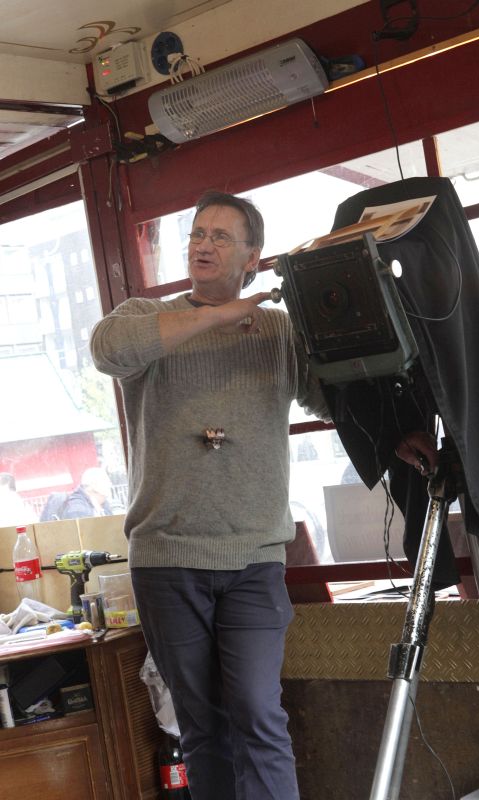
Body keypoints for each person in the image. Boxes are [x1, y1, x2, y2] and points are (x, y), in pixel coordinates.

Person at [90, 190, 332, 800]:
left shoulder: (278, 331)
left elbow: (330, 397)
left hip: (254, 558)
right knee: (202, 726)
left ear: (252, 257)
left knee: (257, 711)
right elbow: (107, 351)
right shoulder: (145, 317)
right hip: (167, 558)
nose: (203, 244)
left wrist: (397, 433)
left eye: (221, 236)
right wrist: (217, 316)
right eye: (198, 233)